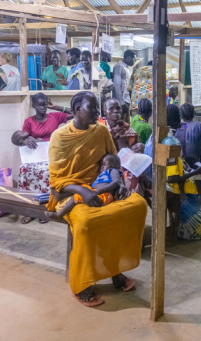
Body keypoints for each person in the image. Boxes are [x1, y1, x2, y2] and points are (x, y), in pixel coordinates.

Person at [47, 91, 147, 307]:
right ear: (76, 111)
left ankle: (115, 270)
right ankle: (81, 284)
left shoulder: (101, 130)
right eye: (91, 108)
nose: (96, 112)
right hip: (69, 193)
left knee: (137, 204)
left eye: (96, 108)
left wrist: (117, 180)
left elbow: (112, 160)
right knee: (86, 222)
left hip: (100, 188)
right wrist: (82, 192)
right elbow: (56, 180)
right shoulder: (60, 136)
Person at [13, 93, 72, 224]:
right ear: (34, 105)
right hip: (35, 157)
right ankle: (29, 209)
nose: (42, 107)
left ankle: (45, 210)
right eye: (39, 105)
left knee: (46, 172)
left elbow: (75, 112)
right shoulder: (29, 122)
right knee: (24, 170)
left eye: (44, 104)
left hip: (52, 156)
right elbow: (21, 138)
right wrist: (25, 140)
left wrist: (55, 106)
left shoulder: (54, 117)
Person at [46, 154, 125, 221]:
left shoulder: (113, 171)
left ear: (116, 165)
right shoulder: (104, 173)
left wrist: (101, 190)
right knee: (82, 188)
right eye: (102, 165)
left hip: (104, 195)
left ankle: (59, 214)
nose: (102, 166)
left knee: (75, 197)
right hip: (97, 192)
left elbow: (116, 182)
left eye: (105, 164)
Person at [175, 103, 201, 167]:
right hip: (197, 165)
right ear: (194, 114)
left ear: (181, 116)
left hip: (180, 165)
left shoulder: (176, 127)